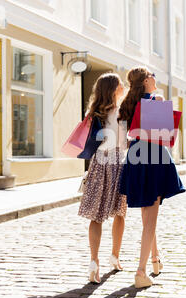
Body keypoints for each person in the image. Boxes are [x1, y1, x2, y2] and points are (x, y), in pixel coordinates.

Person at [118, 67, 186, 288]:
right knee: (150, 219)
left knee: (148, 215)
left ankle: (155, 259)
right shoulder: (155, 100)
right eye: (153, 75)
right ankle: (140, 272)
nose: (156, 77)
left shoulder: (131, 104)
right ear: (146, 80)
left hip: (136, 158)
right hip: (154, 159)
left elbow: (126, 137)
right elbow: (164, 135)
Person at [77, 73, 128, 284]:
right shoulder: (122, 113)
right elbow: (124, 143)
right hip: (117, 164)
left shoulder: (94, 113)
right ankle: (115, 256)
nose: (124, 86)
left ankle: (94, 262)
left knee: (95, 216)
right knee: (120, 213)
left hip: (99, 165)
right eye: (120, 84)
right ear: (114, 89)